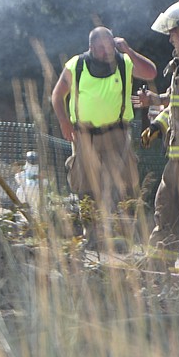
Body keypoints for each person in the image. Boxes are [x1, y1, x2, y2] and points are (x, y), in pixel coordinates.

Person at [51, 27, 157, 232]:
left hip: (117, 134)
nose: (106, 52)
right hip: (84, 136)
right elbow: (57, 95)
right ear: (91, 47)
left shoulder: (124, 62)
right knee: (86, 186)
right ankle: (92, 235)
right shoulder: (76, 65)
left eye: (110, 47)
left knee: (121, 185)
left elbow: (150, 72)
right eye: (101, 48)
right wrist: (64, 121)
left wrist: (128, 50)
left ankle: (118, 234)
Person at [138, 0, 179, 258]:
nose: (170, 40)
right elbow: (178, 103)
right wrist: (157, 124)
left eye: (173, 34)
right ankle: (158, 271)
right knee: (165, 206)